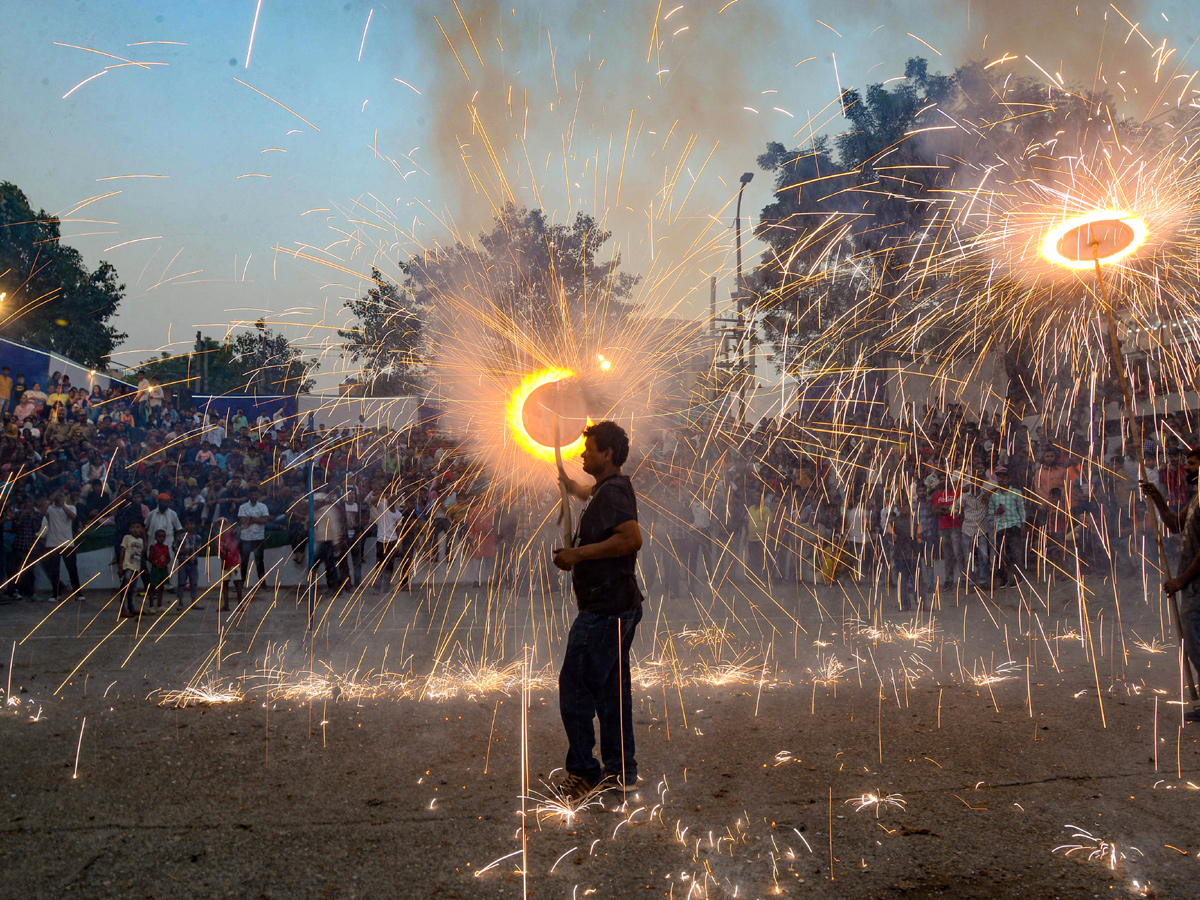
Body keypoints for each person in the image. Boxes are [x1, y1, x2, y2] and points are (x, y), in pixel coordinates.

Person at [552, 421, 644, 799]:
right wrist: (573, 488)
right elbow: (594, 494)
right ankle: (621, 770)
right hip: (618, 605)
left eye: (588, 449)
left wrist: (577, 554)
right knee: (611, 694)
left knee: (575, 689)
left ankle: (583, 772)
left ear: (608, 454)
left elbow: (630, 538)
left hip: (604, 611)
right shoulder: (609, 489)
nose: (581, 453)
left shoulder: (614, 493)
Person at [1141, 446, 1200, 723]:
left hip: (1196, 582)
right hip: (1192, 581)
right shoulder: (1198, 497)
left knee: (1195, 639)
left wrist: (1181, 580)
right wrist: (1158, 499)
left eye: (1191, 463)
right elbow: (1175, 524)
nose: (1185, 468)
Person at [41, 490, 79, 603]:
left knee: (72, 569)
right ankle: (56, 594)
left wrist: (62, 504)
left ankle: (78, 593)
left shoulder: (71, 507)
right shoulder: (50, 509)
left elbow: (73, 516)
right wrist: (50, 499)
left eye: (60, 495)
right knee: (54, 571)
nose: (58, 497)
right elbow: (42, 512)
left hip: (67, 543)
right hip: (52, 543)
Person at [237, 484, 270, 589]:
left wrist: (251, 518)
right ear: (249, 495)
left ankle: (262, 584)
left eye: (256, 494)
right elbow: (243, 520)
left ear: (258, 495)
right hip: (245, 537)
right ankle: (241, 583)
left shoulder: (263, 506)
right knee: (244, 561)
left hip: (258, 537)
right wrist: (257, 519)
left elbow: (265, 520)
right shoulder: (243, 506)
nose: (254, 496)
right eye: (252, 494)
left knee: (259, 561)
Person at [117, 520, 146, 618]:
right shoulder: (127, 538)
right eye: (133, 527)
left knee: (132, 589)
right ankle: (123, 609)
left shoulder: (141, 540)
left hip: (136, 567)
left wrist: (144, 536)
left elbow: (142, 552)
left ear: (141, 529)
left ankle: (131, 607)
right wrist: (121, 566)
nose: (135, 529)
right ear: (130, 529)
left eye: (138, 527)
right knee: (125, 588)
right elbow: (122, 551)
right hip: (128, 566)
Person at [174, 517, 203, 610]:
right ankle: (180, 602)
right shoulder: (180, 537)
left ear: (194, 525)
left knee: (194, 583)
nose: (189, 526)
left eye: (191, 524)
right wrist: (181, 551)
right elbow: (174, 548)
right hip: (183, 562)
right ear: (184, 526)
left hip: (193, 562)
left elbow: (198, 549)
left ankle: (193, 602)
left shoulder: (198, 537)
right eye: (187, 524)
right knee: (181, 583)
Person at [216, 518, 243, 612]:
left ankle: (240, 605)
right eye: (220, 524)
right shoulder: (219, 538)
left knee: (237, 583)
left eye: (224, 524)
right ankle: (226, 605)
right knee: (225, 584)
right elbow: (219, 552)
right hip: (226, 563)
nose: (222, 526)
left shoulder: (231, 533)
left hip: (233, 562)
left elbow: (235, 531)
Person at [146, 529, 172, 609]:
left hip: (163, 569)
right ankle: (151, 606)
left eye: (163, 536)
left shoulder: (166, 547)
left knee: (161, 587)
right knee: (152, 587)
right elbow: (150, 558)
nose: (161, 538)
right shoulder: (153, 547)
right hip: (156, 569)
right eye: (159, 536)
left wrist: (165, 564)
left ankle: (159, 605)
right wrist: (157, 565)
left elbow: (169, 558)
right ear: (156, 538)